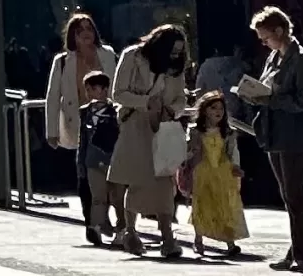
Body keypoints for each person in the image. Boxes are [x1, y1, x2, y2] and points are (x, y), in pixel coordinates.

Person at [240, 7, 303, 276]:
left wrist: (270, 99)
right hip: (274, 133)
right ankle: (298, 250)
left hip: (295, 135)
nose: (263, 43)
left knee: (295, 193)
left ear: (280, 31)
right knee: (290, 195)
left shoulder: (301, 59)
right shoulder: (275, 57)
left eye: (265, 37)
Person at [106, 24, 192, 257]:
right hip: (136, 123)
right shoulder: (132, 56)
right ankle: (130, 231)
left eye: (179, 52)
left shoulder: (175, 67)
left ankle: (167, 236)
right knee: (138, 178)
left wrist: (172, 110)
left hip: (164, 126)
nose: (175, 56)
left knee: (164, 180)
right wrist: (145, 103)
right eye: (172, 51)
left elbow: (181, 98)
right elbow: (118, 93)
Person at [43, 14, 118, 244]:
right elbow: (53, 95)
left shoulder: (107, 55)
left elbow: (115, 86)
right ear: (72, 36)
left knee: (110, 176)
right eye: (80, 30)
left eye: (89, 28)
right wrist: (51, 131)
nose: (86, 33)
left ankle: (105, 218)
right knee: (85, 174)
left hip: (107, 124)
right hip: (78, 124)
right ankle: (91, 222)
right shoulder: (63, 61)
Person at [183, 91, 248, 258]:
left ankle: (230, 242)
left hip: (222, 171)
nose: (218, 112)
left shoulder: (228, 132)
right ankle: (198, 239)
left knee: (225, 204)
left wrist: (236, 166)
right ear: (204, 110)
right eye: (213, 108)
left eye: (221, 109)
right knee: (201, 205)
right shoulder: (196, 131)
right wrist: (186, 163)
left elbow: (233, 152)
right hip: (202, 171)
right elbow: (189, 151)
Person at [77, 74, 122, 245]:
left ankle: (121, 229)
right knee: (98, 196)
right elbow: (83, 140)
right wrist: (80, 162)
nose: (89, 93)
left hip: (114, 159)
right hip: (92, 160)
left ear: (104, 90)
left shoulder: (115, 111)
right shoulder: (85, 112)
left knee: (118, 197)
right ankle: (95, 227)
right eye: (87, 89)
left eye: (93, 89)